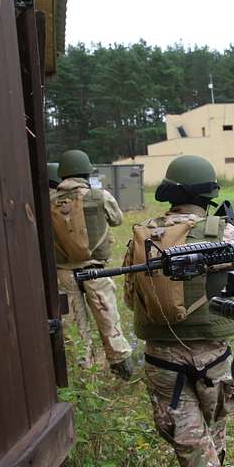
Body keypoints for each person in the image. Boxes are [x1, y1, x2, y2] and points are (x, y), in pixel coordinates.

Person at [125, 155, 234, 467]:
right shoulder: (225, 232)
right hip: (214, 357)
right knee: (207, 440)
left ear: (171, 193)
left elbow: (132, 299)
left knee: (192, 447)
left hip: (162, 362)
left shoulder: (144, 237)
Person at [51, 149, 135, 379]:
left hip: (64, 274)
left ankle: (83, 373)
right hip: (95, 270)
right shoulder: (99, 196)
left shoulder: (50, 202)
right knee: (109, 320)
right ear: (86, 172)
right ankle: (122, 369)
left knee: (76, 326)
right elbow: (117, 220)